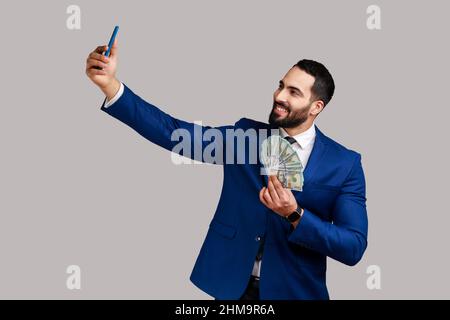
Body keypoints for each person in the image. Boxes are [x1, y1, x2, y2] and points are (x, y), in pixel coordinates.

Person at [85, 38, 368, 300]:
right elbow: (173, 133)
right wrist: (111, 86)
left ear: (316, 106)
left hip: (294, 292)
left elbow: (352, 246)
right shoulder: (243, 139)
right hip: (231, 287)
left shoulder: (345, 164)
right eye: (280, 85)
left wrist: (295, 215)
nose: (279, 96)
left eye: (293, 92)